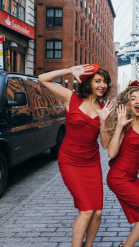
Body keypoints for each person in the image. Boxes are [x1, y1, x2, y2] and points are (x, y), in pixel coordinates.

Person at [39, 64, 115, 247]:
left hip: (92, 163)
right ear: (88, 82)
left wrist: (103, 122)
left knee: (97, 212)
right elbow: (43, 79)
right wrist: (69, 71)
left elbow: (105, 145)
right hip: (70, 162)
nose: (102, 85)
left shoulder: (104, 109)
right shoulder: (70, 98)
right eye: (98, 81)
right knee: (87, 210)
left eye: (105, 82)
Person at [106, 84, 139, 247]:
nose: (138, 101)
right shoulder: (125, 123)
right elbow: (111, 153)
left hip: (132, 178)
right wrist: (120, 127)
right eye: (133, 98)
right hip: (119, 178)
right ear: (127, 103)